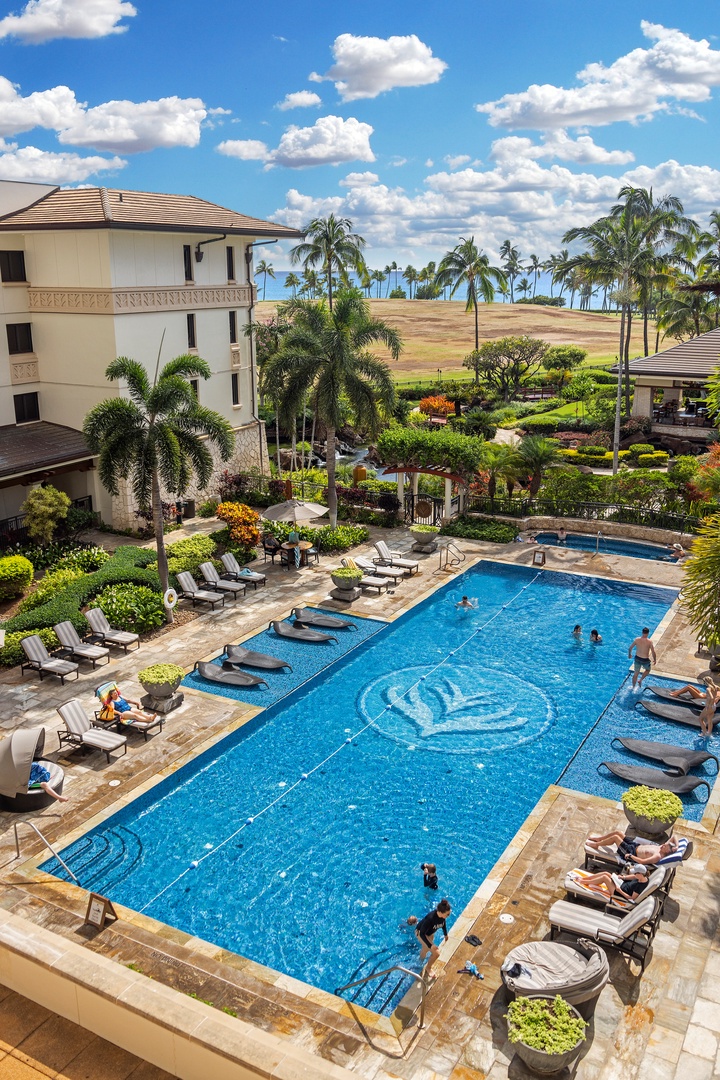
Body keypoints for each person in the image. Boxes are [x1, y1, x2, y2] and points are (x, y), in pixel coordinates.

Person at [586, 831, 678, 866]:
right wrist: (676, 846)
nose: (664, 844)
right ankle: (599, 839)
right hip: (635, 845)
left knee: (616, 838)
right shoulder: (662, 847)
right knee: (618, 833)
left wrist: (630, 856)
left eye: (667, 846)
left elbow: (642, 862)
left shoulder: (657, 856)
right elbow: (674, 837)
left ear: (667, 851)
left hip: (630, 852)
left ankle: (597, 845)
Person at [415, 899, 451, 980]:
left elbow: (443, 923)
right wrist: (430, 945)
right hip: (421, 933)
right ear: (441, 912)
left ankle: (420, 961)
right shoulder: (430, 918)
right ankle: (428, 968)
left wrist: (445, 934)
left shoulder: (442, 917)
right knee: (436, 953)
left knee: (425, 949)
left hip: (429, 934)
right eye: (447, 914)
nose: (448, 916)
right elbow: (421, 933)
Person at [570, 865, 648, 902]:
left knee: (605, 878)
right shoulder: (642, 877)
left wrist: (620, 890)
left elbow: (631, 898)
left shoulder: (640, 887)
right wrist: (622, 877)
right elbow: (632, 877)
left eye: (635, 873)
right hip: (620, 883)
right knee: (606, 873)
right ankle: (585, 878)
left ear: (640, 874)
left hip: (619, 892)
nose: (634, 874)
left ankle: (583, 882)